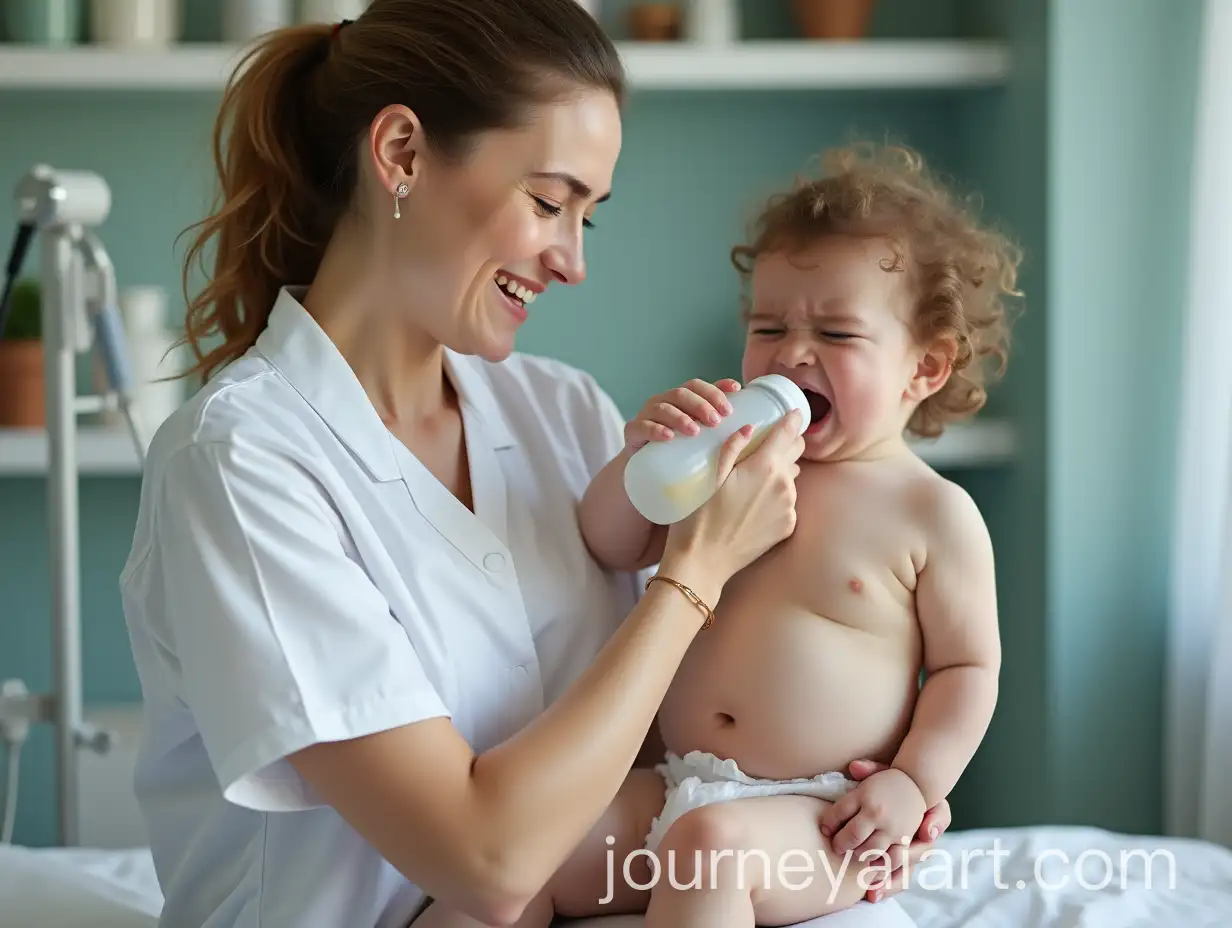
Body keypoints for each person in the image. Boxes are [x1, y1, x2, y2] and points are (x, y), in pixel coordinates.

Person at [117, 3, 949, 927]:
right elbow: (488, 861)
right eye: (550, 203)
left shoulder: (561, 413)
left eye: (588, 215)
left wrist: (873, 781)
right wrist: (697, 570)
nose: (573, 260)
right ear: (400, 153)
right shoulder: (241, 463)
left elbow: (648, 761)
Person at [566, 142, 1018, 926]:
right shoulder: (730, 459)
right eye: (768, 325)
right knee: (538, 842)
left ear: (926, 368)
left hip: (815, 816)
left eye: (838, 336)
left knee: (709, 850)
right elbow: (611, 543)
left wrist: (914, 782)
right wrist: (644, 457)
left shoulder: (931, 513)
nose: (792, 352)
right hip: (675, 780)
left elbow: (968, 668)